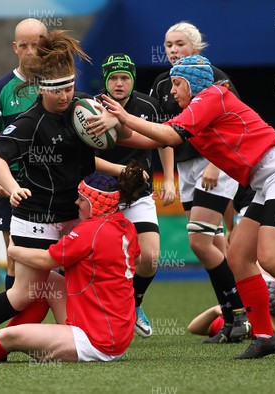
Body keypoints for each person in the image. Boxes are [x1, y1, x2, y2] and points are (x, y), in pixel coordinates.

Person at [93, 54, 275, 359]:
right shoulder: (198, 109)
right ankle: (265, 337)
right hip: (266, 181)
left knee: (271, 258)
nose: (171, 91)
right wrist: (108, 131)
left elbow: (169, 135)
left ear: (193, 83)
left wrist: (120, 116)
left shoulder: (212, 95)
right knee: (238, 258)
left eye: (176, 83)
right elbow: (155, 140)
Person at [0, 30, 128, 344]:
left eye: (69, 88)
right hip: (36, 217)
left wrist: (115, 123)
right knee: (22, 293)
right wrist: (10, 187)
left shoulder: (84, 109)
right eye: (57, 91)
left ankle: (79, 335)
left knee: (82, 279)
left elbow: (124, 132)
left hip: (77, 215)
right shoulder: (29, 122)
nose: (65, 97)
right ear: (41, 88)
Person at [0, 167, 143, 363]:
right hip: (114, 333)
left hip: (96, 342)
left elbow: (46, 259)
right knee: (47, 280)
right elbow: (136, 260)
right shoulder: (126, 225)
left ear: (94, 204)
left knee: (10, 336)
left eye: (81, 199)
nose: (76, 203)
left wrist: (13, 251)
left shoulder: (91, 231)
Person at [148, 21, 246, 344]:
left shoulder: (216, 79)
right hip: (187, 168)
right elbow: (164, 135)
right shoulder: (163, 84)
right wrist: (170, 178)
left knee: (199, 242)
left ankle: (239, 315)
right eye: (168, 45)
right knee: (214, 243)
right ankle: (235, 317)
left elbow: (234, 125)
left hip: (214, 162)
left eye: (179, 44)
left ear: (196, 46)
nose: (173, 50)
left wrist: (217, 166)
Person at [93, 53, 176, 337]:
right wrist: (119, 171)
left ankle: (134, 303)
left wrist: (168, 180)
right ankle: (93, 316)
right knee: (99, 260)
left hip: (138, 193)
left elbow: (166, 140)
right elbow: (84, 156)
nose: (119, 83)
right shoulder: (91, 107)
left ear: (132, 80)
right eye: (113, 78)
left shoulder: (150, 105)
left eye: (124, 78)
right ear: (106, 80)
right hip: (98, 193)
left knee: (150, 257)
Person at [0, 18, 48, 289]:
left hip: (53, 182)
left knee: (60, 256)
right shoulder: (0, 88)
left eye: (38, 45)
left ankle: (69, 325)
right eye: (25, 45)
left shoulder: (59, 84)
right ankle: (16, 325)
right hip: (14, 184)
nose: (31, 51)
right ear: (15, 48)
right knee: (15, 257)